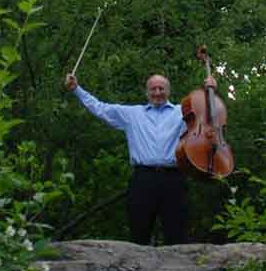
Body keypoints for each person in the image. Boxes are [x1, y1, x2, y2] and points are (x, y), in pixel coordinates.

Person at [65, 71, 215, 245]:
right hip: (143, 179)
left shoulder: (182, 112)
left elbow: (209, 118)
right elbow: (100, 108)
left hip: (173, 179)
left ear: (168, 91)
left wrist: (210, 91)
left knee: (176, 235)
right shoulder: (132, 114)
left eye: (161, 88)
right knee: (138, 234)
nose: (157, 92)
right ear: (147, 92)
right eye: (153, 89)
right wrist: (77, 89)